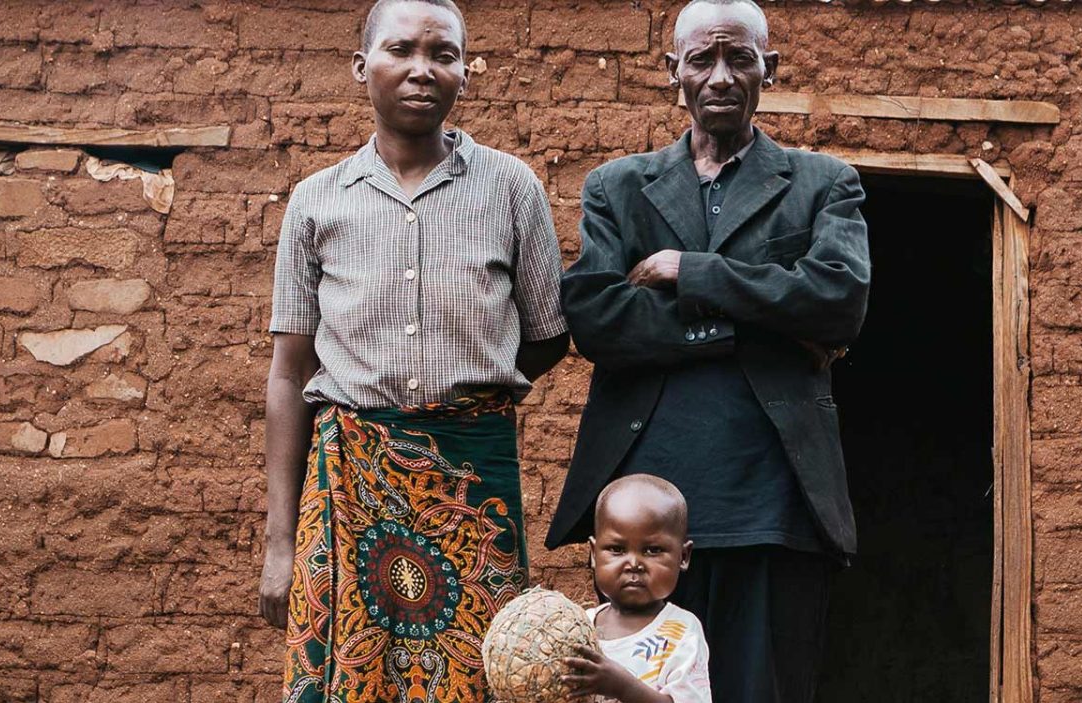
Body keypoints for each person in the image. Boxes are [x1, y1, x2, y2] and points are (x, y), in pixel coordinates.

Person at [545, 0, 872, 701]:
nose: (721, 75)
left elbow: (839, 299)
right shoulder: (618, 187)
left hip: (772, 505)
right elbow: (597, 317)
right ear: (674, 72)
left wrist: (691, 273)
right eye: (702, 59)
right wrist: (753, 322)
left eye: (740, 58)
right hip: (643, 516)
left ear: (769, 69)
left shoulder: (823, 184)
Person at [255, 0, 571, 700]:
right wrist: (279, 543)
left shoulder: (511, 187)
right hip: (347, 481)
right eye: (401, 49)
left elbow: (548, 335)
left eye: (444, 53)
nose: (423, 69)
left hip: (471, 481)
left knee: (478, 670)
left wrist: (467, 393)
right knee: (346, 673)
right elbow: (288, 373)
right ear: (362, 65)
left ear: (466, 71)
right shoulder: (316, 202)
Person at [560, 475, 712, 703]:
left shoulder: (682, 632)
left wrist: (623, 688)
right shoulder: (579, 627)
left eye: (652, 550)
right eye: (617, 549)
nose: (633, 564)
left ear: (683, 556)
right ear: (593, 553)